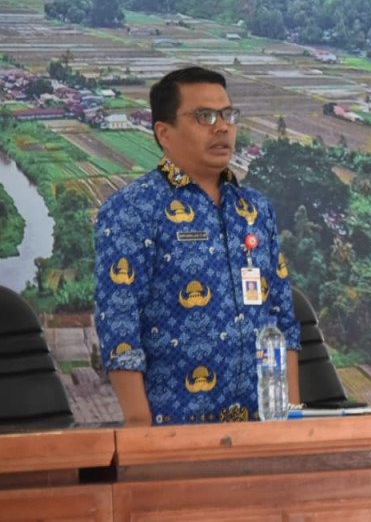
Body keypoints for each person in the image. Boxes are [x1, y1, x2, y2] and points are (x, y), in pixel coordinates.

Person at [94, 66, 301, 425]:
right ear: (164, 132)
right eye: (203, 116)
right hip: (174, 429)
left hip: (262, 426)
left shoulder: (255, 210)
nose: (221, 127)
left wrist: (291, 416)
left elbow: (282, 319)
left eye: (227, 115)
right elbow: (119, 324)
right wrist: (140, 427)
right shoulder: (131, 210)